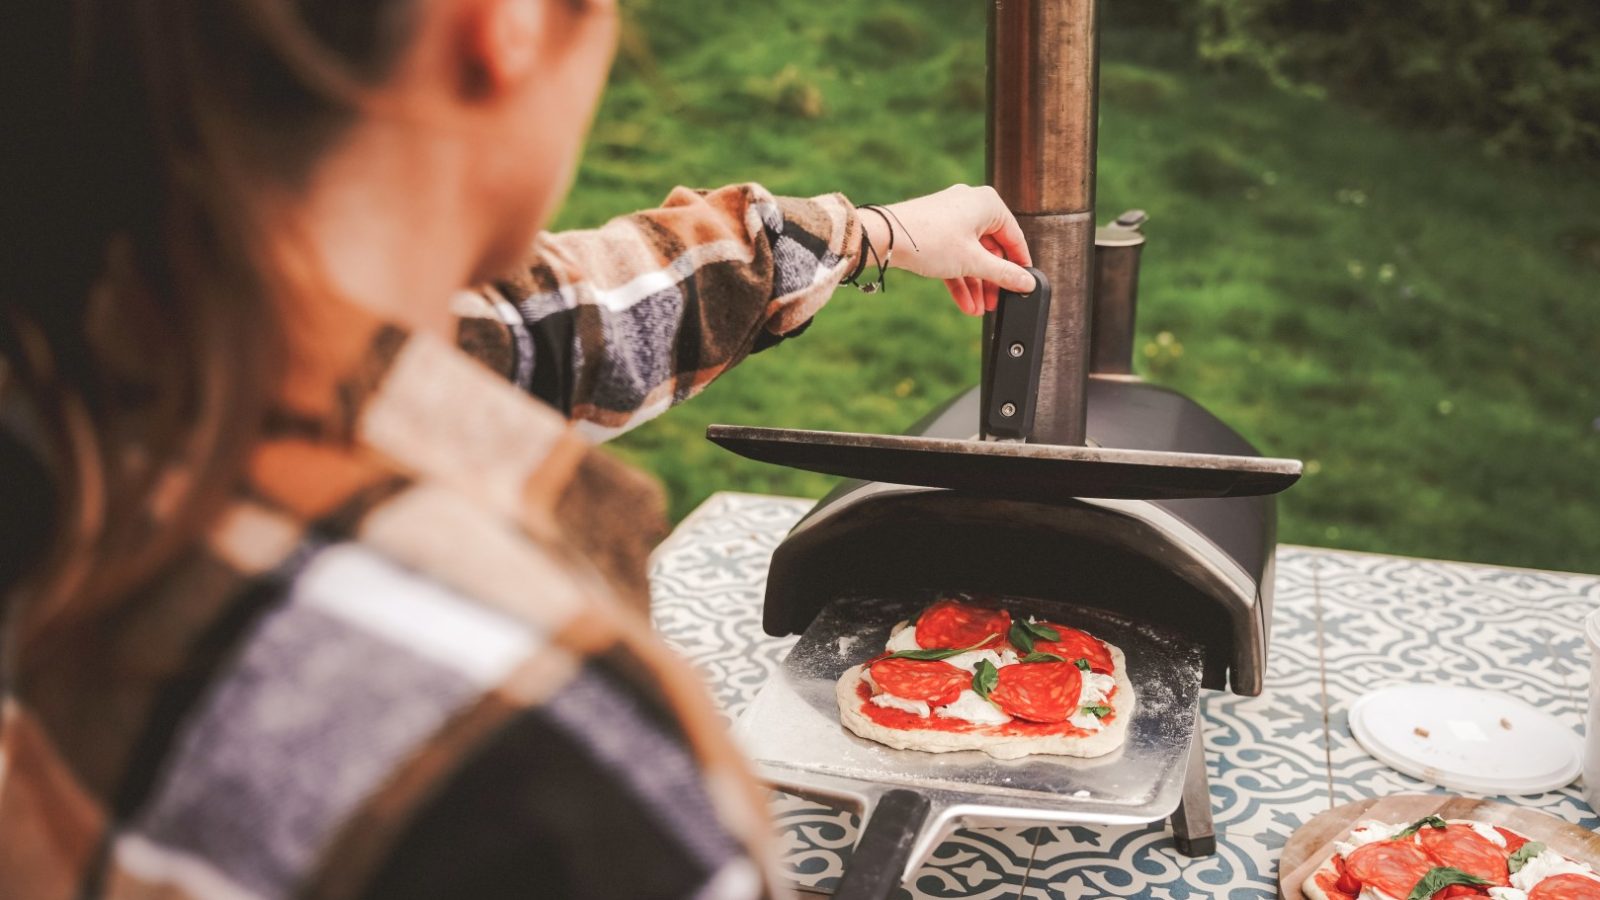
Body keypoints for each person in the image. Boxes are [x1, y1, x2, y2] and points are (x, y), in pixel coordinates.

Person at [0, 0, 1035, 897]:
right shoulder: (546, 755)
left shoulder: (95, 355)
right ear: (505, 26)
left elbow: (544, 325)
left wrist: (868, 233)